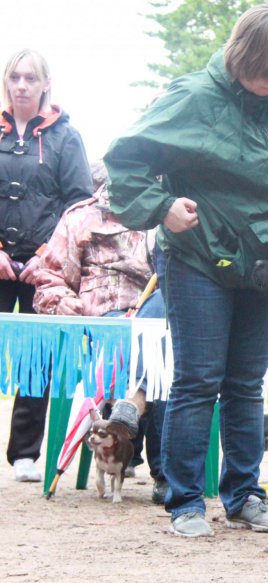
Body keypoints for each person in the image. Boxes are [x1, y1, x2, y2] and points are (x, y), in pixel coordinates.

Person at [104, 3, 268, 538]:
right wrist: (163, 208)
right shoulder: (191, 98)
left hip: (267, 265)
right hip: (198, 257)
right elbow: (124, 161)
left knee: (247, 383)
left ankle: (244, 495)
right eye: (264, 71)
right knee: (199, 381)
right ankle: (185, 503)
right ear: (240, 54)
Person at [33, 160, 168, 504]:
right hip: (101, 325)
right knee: (157, 352)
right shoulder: (80, 217)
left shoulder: (164, 211)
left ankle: (139, 425)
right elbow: (48, 277)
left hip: (156, 318)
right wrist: (62, 299)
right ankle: (162, 465)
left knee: (161, 336)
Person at [0, 49, 93, 483]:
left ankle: (25, 453)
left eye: (30, 78)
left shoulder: (65, 136)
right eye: (14, 77)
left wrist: (46, 255)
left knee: (37, 359)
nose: (21, 85)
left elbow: (78, 202)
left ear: (45, 85)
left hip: (45, 267)